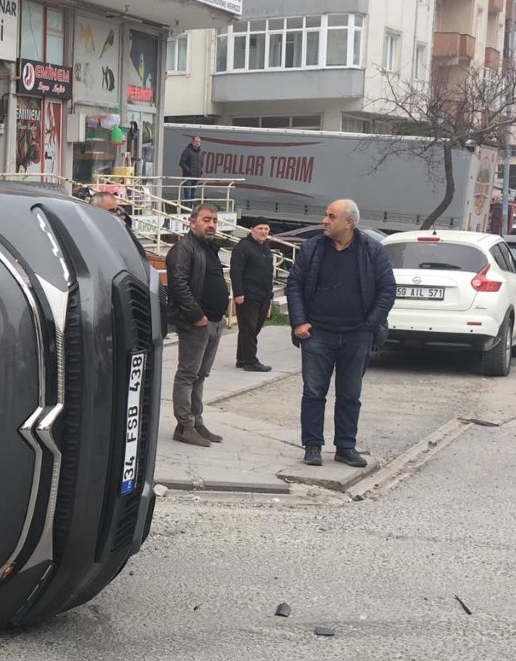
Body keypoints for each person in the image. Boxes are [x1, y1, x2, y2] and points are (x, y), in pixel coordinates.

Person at [286, 199, 396, 468]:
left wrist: (369, 325)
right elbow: (294, 285)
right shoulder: (312, 248)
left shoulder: (372, 250)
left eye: (331, 216)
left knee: (349, 394)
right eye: (326, 215)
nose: (324, 220)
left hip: (356, 335)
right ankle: (312, 446)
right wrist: (299, 322)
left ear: (349, 222)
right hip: (317, 334)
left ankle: (345, 447)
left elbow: (387, 290)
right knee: (313, 392)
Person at [165, 203, 229, 447]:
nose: (211, 224)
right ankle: (184, 426)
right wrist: (196, 316)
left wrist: (219, 315)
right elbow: (178, 284)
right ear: (192, 222)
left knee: (201, 375)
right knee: (188, 374)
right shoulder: (184, 248)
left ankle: (197, 421)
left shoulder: (208, 248)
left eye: (214, 220)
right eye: (206, 219)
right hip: (197, 323)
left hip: (214, 321)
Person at [230, 222, 275, 372]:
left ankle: (242, 357)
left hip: (264, 294)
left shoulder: (266, 248)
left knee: (253, 328)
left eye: (266, 229)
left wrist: (270, 293)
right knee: (248, 328)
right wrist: (238, 293)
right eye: (260, 229)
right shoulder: (243, 246)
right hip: (248, 295)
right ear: (251, 230)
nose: (263, 231)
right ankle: (250, 361)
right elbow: (236, 270)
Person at [178, 136, 203, 210]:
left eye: (199, 142)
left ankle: (191, 210)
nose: (197, 143)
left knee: (193, 195)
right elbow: (182, 163)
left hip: (196, 177)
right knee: (188, 195)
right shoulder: (187, 151)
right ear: (192, 142)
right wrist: (189, 171)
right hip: (188, 177)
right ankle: (187, 210)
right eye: (196, 141)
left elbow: (201, 163)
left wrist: (200, 172)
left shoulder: (200, 152)